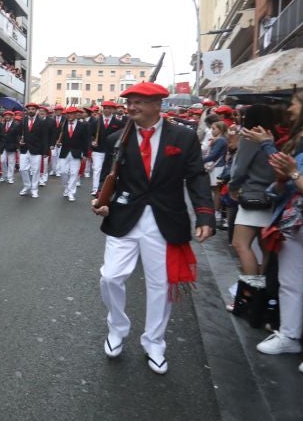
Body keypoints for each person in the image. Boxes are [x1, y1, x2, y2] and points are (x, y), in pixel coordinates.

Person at [91, 82, 214, 375]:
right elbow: (110, 176)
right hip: (124, 216)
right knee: (110, 277)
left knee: (161, 285)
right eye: (129, 102)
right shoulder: (115, 139)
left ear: (159, 105)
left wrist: (205, 215)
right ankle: (118, 328)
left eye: (139, 102)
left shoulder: (183, 138)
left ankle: (154, 342)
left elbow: (196, 177)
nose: (131, 107)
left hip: (165, 218)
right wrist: (101, 199)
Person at [255, 114, 303, 376]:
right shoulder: (302, 159)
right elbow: (276, 193)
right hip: (292, 229)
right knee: (290, 285)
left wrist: (292, 173)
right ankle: (289, 338)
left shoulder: (297, 164)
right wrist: (281, 180)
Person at [229, 105, 277, 290]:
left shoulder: (251, 136)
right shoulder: (272, 137)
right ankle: (262, 294)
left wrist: (233, 186)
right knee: (265, 249)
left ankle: (250, 293)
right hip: (272, 196)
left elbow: (240, 168)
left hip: (252, 195)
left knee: (240, 244)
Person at [88, 101, 123, 196]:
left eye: (109, 108)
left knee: (108, 171)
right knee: (97, 169)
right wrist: (92, 142)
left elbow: (121, 137)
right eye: (105, 108)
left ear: (113, 110)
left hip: (111, 152)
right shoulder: (96, 122)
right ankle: (96, 189)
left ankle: (105, 189)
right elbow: (90, 135)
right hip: (98, 150)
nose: (106, 110)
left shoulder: (118, 123)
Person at [58, 107, 89, 202]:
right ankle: (66, 188)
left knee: (74, 173)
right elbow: (59, 136)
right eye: (67, 113)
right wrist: (58, 142)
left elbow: (86, 141)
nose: (69, 115)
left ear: (76, 114)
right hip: (64, 152)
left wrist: (85, 154)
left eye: (71, 113)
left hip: (77, 152)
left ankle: (71, 192)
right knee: (63, 172)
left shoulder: (83, 125)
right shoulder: (63, 124)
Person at [18, 103, 47, 198]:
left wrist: (45, 151)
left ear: (36, 110)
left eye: (33, 109)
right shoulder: (23, 120)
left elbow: (44, 137)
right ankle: (27, 186)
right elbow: (18, 133)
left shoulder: (42, 121)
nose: (31, 110)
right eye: (29, 109)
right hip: (24, 148)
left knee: (35, 171)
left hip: (36, 149)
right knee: (22, 169)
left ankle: (34, 189)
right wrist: (19, 140)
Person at [0, 110, 21, 184]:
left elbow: (18, 136)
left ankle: (10, 177)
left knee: (11, 162)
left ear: (12, 116)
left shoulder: (16, 125)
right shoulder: (2, 125)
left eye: (9, 115)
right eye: (6, 115)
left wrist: (17, 146)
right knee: (2, 161)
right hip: (3, 146)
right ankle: (4, 175)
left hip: (12, 146)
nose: (7, 116)